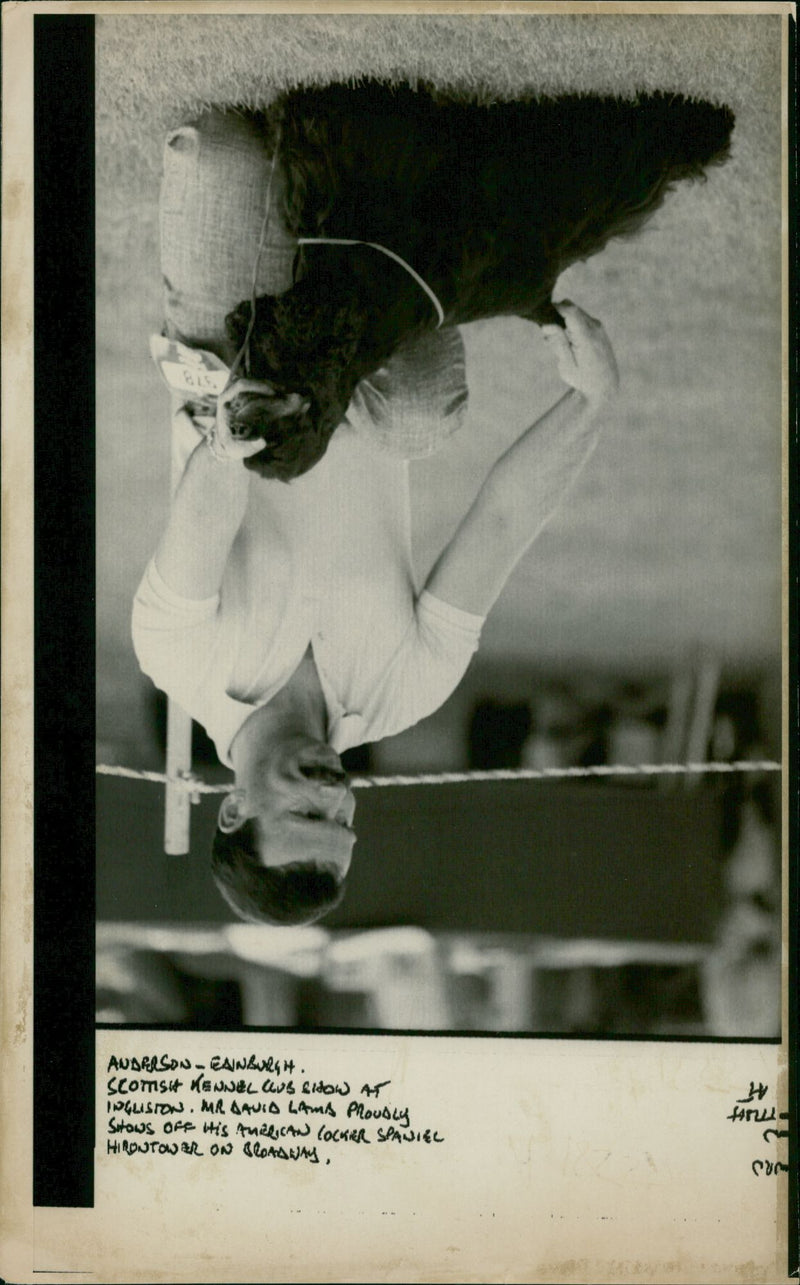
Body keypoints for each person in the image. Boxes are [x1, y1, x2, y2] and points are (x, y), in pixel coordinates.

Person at [133, 300, 619, 926]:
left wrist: (242, 425)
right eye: (342, 822)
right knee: (420, 417)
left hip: (237, 361)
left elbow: (210, 504)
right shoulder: (408, 692)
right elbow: (501, 523)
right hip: (371, 366)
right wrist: (590, 403)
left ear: (233, 809)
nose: (335, 796)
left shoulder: (174, 658)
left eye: (306, 813)